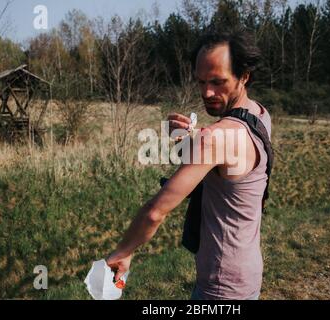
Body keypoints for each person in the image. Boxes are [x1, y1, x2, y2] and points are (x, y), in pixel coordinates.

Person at [106, 30, 272, 300]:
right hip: (247, 274)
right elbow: (229, 163)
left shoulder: (215, 140)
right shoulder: (260, 115)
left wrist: (122, 253)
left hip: (221, 287)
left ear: (244, 76)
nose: (207, 92)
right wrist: (191, 140)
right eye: (201, 81)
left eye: (218, 82)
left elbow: (154, 213)